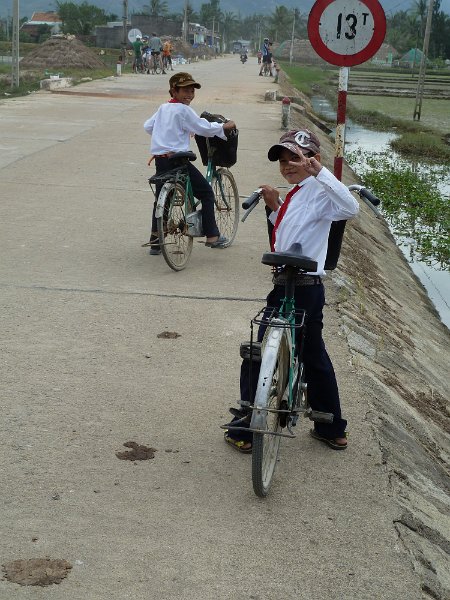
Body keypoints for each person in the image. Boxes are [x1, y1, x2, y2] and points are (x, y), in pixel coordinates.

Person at [224, 128, 360, 453]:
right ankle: (331, 426)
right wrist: (274, 208)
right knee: (314, 355)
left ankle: (245, 427)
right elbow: (286, 240)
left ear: (312, 158)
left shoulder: (321, 191)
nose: (288, 166)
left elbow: (350, 208)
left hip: (298, 289)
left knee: (259, 349)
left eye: (295, 159)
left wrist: (320, 172)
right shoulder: (299, 193)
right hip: (294, 286)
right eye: (283, 161)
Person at [143, 72, 237, 254]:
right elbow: (203, 127)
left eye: (192, 90)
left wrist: (167, 134)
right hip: (179, 160)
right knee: (207, 194)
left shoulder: (163, 108)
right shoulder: (184, 110)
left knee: (162, 199)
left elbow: (148, 126)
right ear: (173, 91)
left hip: (161, 161)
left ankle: (155, 242)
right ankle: (212, 235)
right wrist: (224, 127)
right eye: (185, 90)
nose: (189, 94)